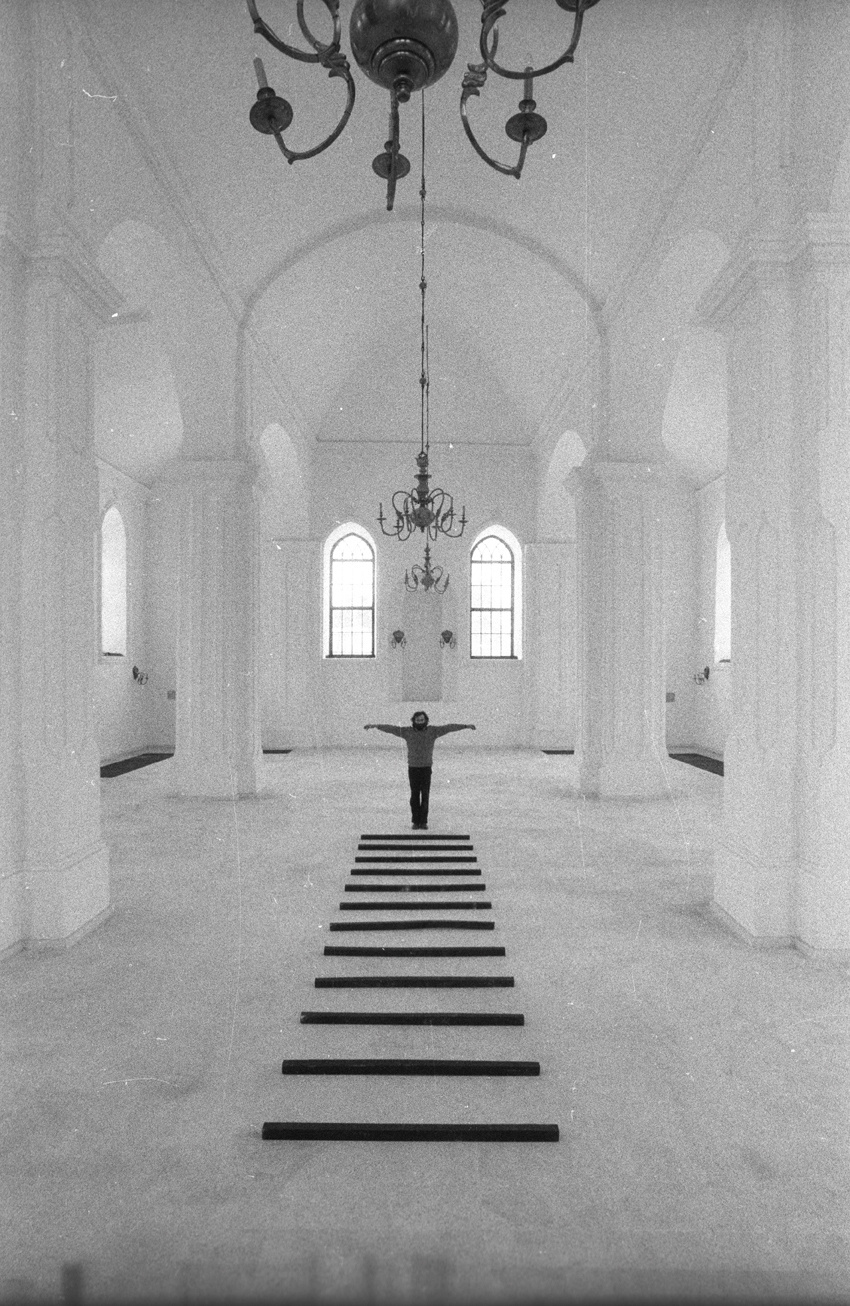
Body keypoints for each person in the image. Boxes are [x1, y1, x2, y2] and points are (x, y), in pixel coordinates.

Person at [364, 711, 476, 829]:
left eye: (422, 720)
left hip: (426, 768)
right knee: (415, 795)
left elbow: (448, 728)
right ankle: (415, 821)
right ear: (414, 721)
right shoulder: (407, 732)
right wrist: (375, 726)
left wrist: (465, 726)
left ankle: (423, 822)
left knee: (425, 795)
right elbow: (391, 729)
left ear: (426, 721)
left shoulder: (433, 731)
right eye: (418, 720)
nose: (420, 722)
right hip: (413, 768)